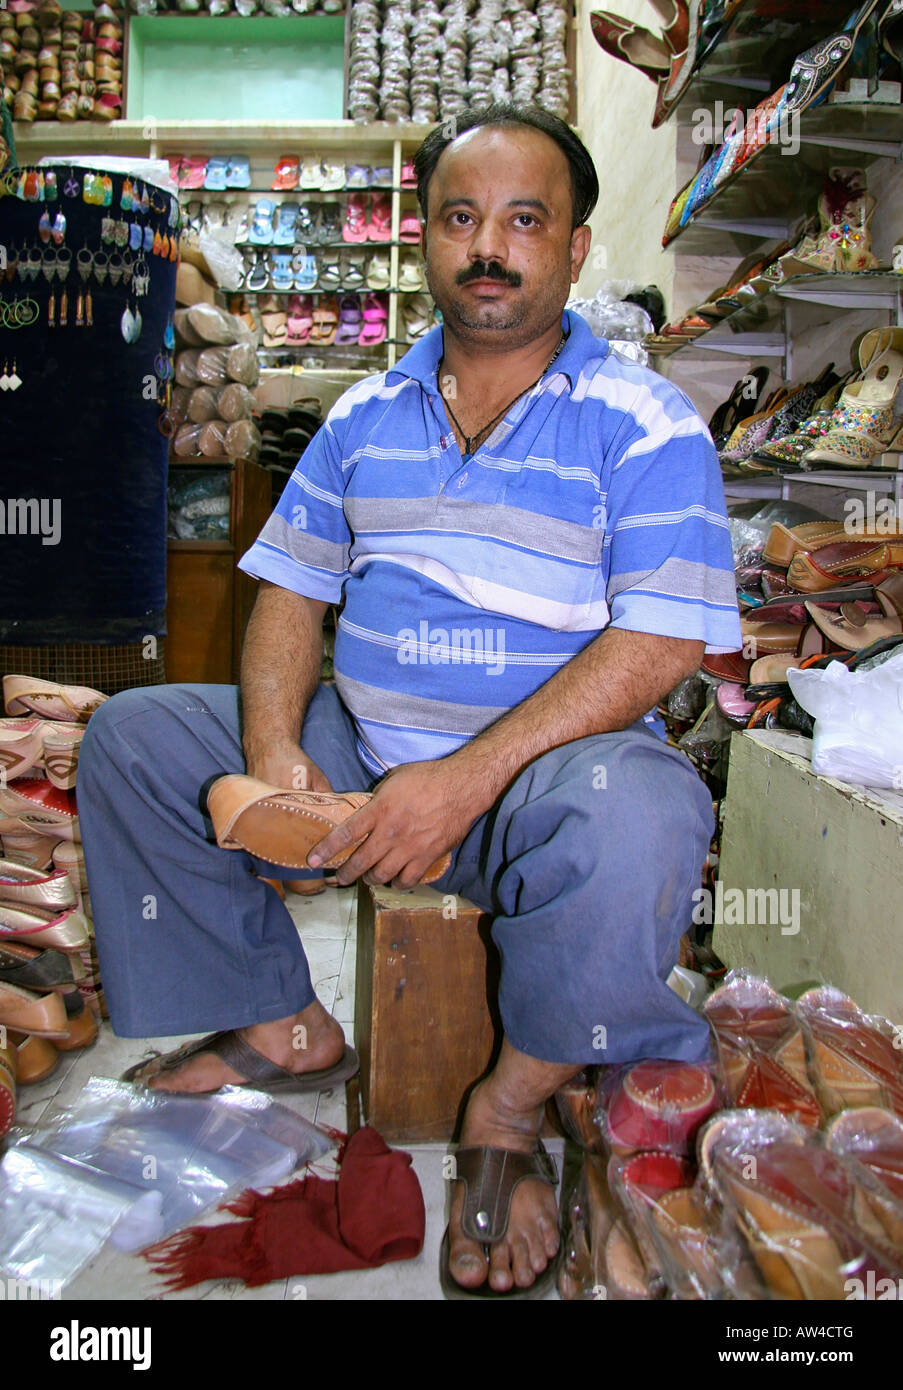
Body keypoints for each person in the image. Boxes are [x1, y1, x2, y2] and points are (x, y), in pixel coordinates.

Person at [78, 102, 741, 1298]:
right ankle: (280, 1018)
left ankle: (509, 1105)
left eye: (524, 220)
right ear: (427, 238)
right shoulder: (361, 415)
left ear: (575, 248)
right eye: (459, 217)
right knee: (131, 737)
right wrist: (279, 754)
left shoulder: (645, 422)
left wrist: (461, 781)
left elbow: (662, 642)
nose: (489, 245)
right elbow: (289, 588)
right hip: (360, 741)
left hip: (545, 781)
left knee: (643, 814)